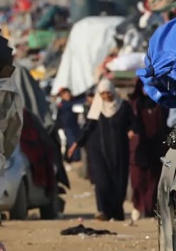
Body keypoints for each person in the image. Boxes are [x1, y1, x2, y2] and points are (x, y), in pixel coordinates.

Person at [68, 78, 133, 221]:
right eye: (103, 94)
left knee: (119, 183)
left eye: (108, 93)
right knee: (102, 182)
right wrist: (76, 144)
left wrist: (132, 131)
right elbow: (88, 128)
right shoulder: (97, 108)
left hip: (119, 151)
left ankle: (117, 212)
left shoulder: (123, 106)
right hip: (100, 152)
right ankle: (103, 211)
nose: (106, 96)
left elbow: (133, 124)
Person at [128, 80, 169, 221]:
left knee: (153, 179)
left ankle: (150, 208)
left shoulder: (161, 103)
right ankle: (138, 205)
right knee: (138, 179)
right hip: (139, 147)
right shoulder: (134, 105)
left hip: (156, 145)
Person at [55, 88, 82, 162]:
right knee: (71, 142)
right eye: (64, 94)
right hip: (67, 127)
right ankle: (74, 158)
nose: (67, 95)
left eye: (67, 93)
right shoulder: (62, 104)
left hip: (75, 125)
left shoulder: (74, 101)